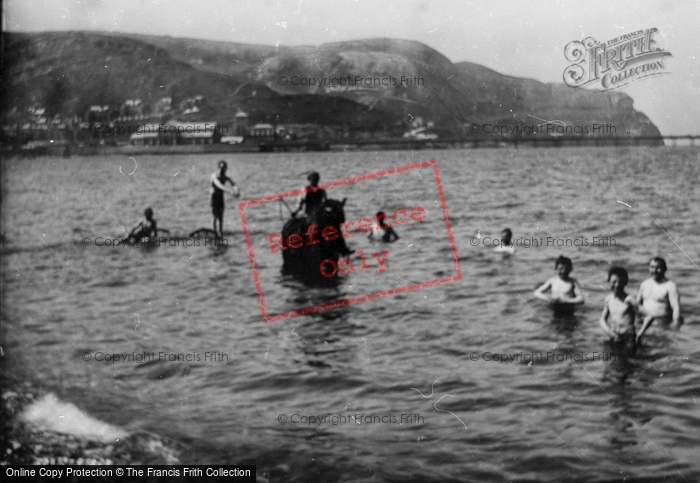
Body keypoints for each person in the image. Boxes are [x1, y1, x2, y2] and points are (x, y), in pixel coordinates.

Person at [636, 257, 683, 343]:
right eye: (652, 267)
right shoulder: (644, 284)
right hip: (645, 324)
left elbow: (676, 308)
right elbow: (637, 305)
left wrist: (675, 324)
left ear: (664, 269)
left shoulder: (670, 286)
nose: (654, 270)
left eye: (658, 268)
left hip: (662, 325)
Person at [599, 267, 638, 354]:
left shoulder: (629, 299)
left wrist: (640, 333)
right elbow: (602, 319)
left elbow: (648, 315)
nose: (617, 285)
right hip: (614, 335)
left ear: (626, 282)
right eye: (614, 282)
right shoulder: (608, 299)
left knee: (627, 362)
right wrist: (609, 331)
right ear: (609, 281)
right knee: (612, 362)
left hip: (628, 337)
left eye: (620, 282)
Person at [211, 160, 240, 237]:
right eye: (221, 167)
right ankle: (215, 232)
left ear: (226, 168)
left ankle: (220, 231)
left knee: (221, 217)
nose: (222, 169)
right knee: (216, 215)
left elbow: (233, 184)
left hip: (221, 198)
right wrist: (231, 192)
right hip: (215, 198)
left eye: (223, 168)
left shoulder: (226, 177)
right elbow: (219, 186)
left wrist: (236, 191)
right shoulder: (214, 176)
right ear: (218, 168)